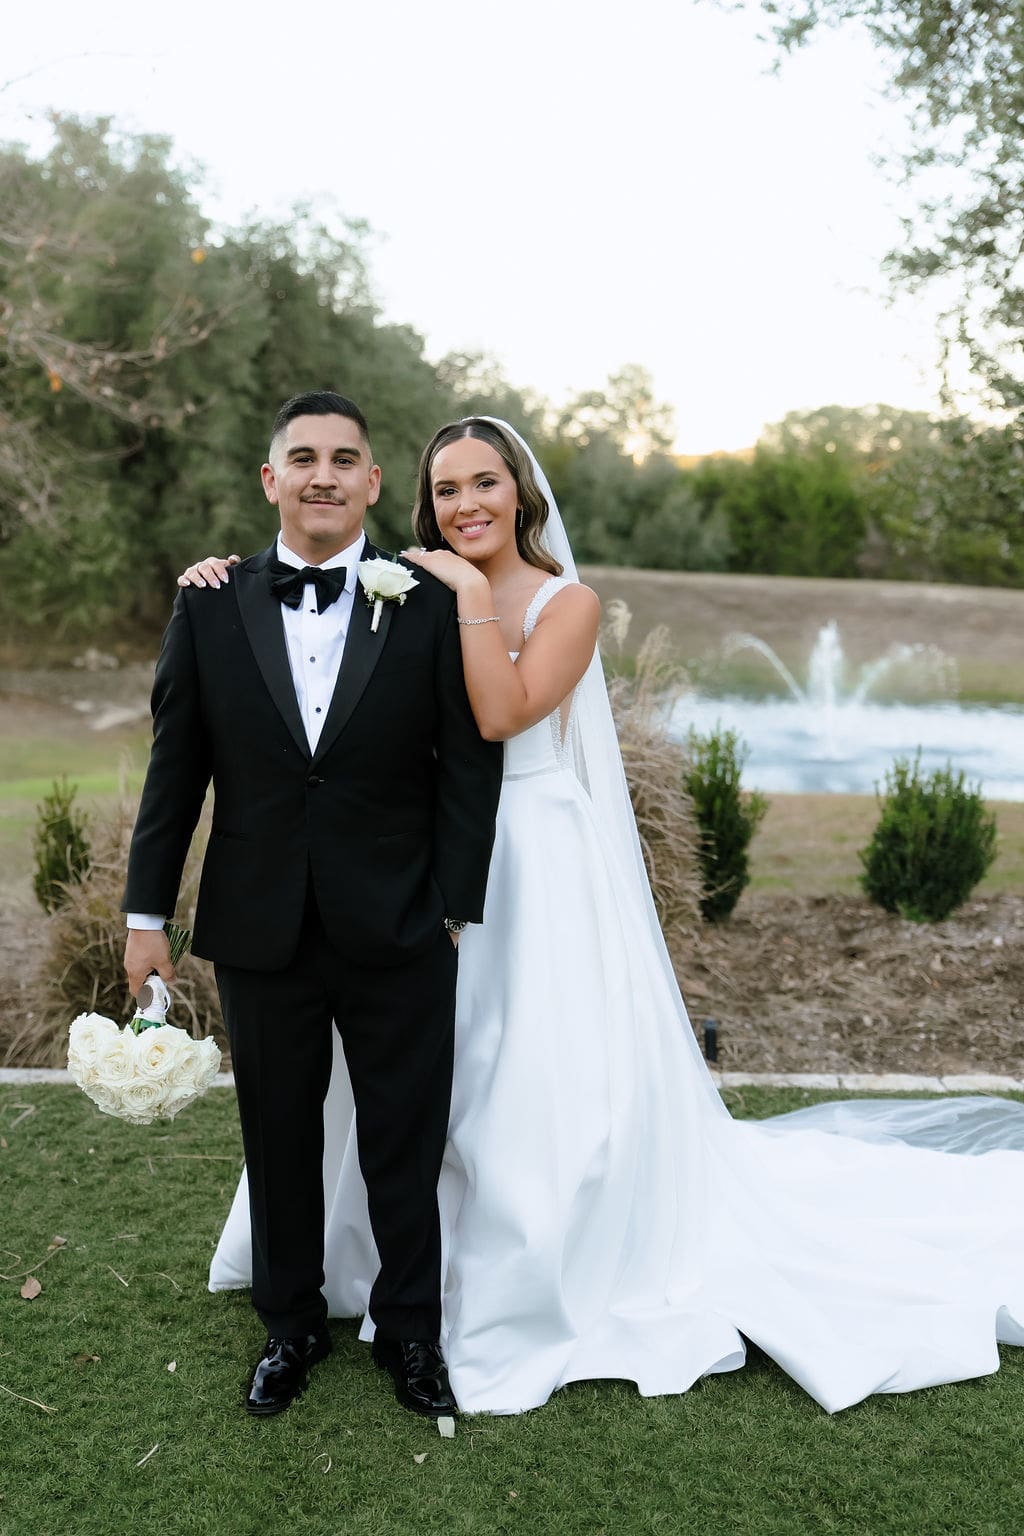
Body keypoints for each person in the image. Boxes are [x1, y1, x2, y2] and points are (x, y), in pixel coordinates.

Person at [184, 418, 1024, 1418]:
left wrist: (465, 597)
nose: (466, 505)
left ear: (521, 494)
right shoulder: (400, 588)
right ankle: (361, 1273)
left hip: (533, 859)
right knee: (407, 1085)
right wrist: (222, 578)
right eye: (446, 489)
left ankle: (513, 1276)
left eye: (485, 483)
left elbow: (501, 716)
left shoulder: (563, 602)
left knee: (528, 1078)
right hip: (411, 866)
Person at [122, 392, 503, 1421]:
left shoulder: (433, 602)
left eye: (343, 459)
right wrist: (145, 916)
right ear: (271, 480)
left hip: (401, 920)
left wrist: (454, 906)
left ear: (373, 483)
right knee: (278, 1135)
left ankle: (411, 1332)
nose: (322, 475)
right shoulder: (209, 604)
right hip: (259, 924)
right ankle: (288, 1327)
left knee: (404, 1137)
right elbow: (174, 772)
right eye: (303, 458)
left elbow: (470, 764)